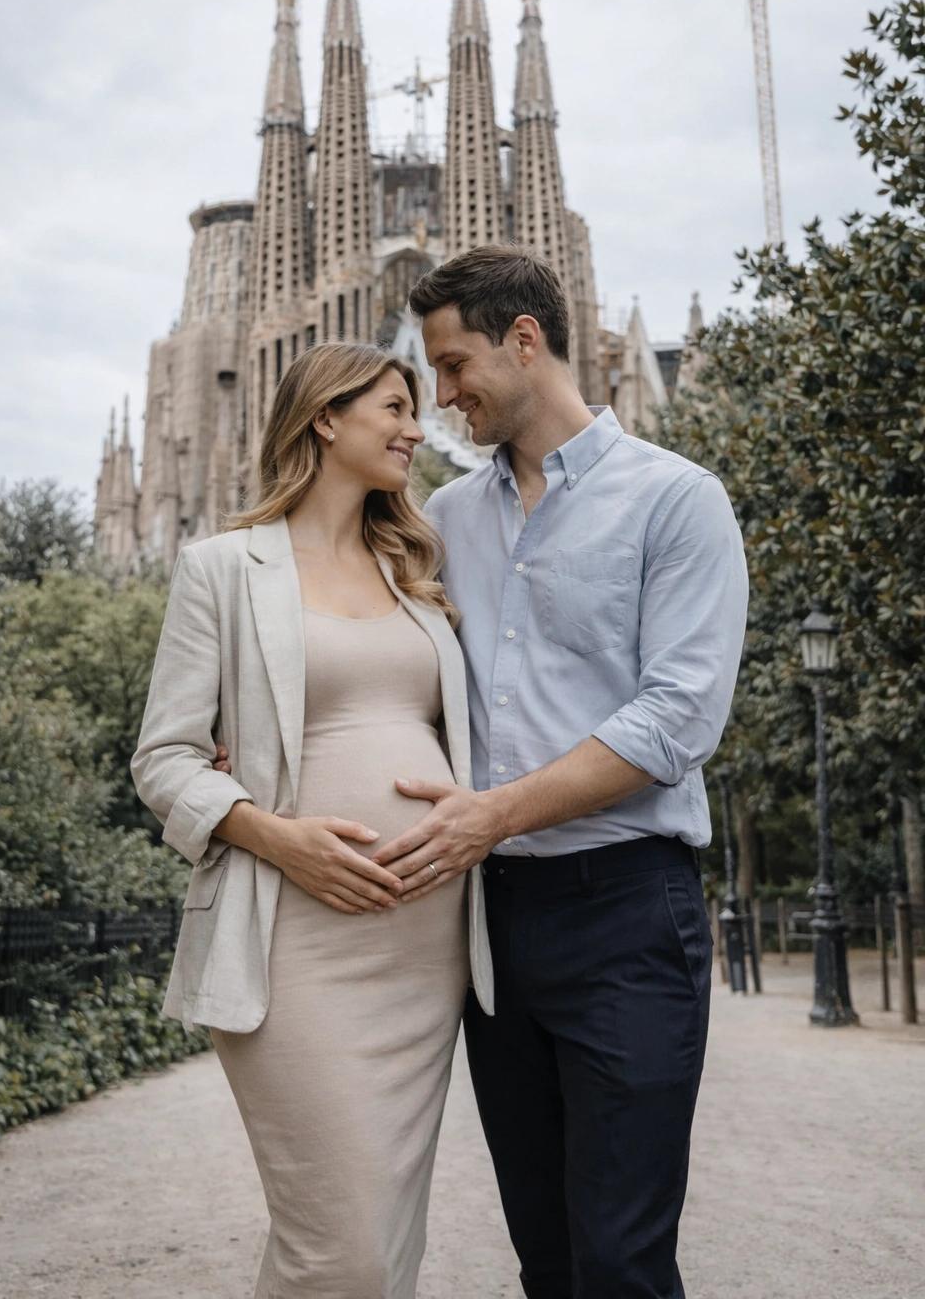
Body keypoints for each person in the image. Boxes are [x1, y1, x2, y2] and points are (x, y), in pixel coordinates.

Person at [364, 245, 749, 1299]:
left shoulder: (676, 501)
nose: (440, 398)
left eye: (452, 367)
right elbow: (376, 671)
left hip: (625, 910)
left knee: (621, 1260)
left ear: (524, 341)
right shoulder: (444, 523)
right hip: (490, 926)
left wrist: (490, 816)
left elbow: (675, 721)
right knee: (546, 1255)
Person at [132, 343, 493, 1299]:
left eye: (417, 409)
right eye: (393, 408)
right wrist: (275, 835)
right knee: (346, 1251)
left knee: (377, 1244)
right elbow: (163, 757)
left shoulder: (415, 566)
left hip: (427, 951)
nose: (418, 429)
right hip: (292, 943)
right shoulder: (222, 568)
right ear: (324, 418)